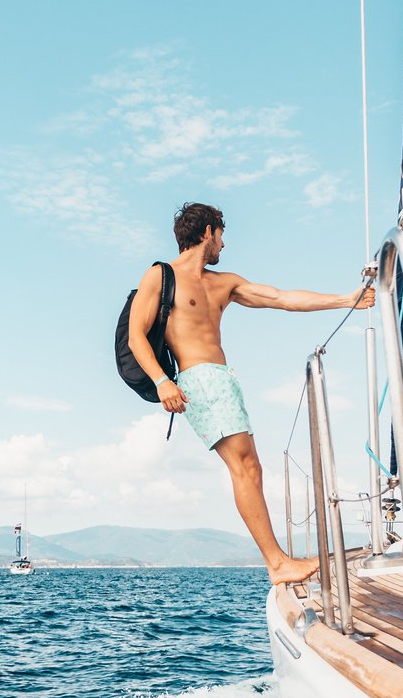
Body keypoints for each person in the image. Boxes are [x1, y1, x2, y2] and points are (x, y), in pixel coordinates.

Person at [127, 201, 375, 586]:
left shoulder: (223, 282)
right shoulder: (161, 275)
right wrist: (162, 381)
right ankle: (277, 564)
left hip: (223, 379)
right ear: (207, 231)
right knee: (245, 468)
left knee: (250, 468)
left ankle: (278, 561)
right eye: (222, 234)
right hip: (197, 379)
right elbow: (135, 335)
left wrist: (346, 300)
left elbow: (280, 298)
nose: (224, 244)